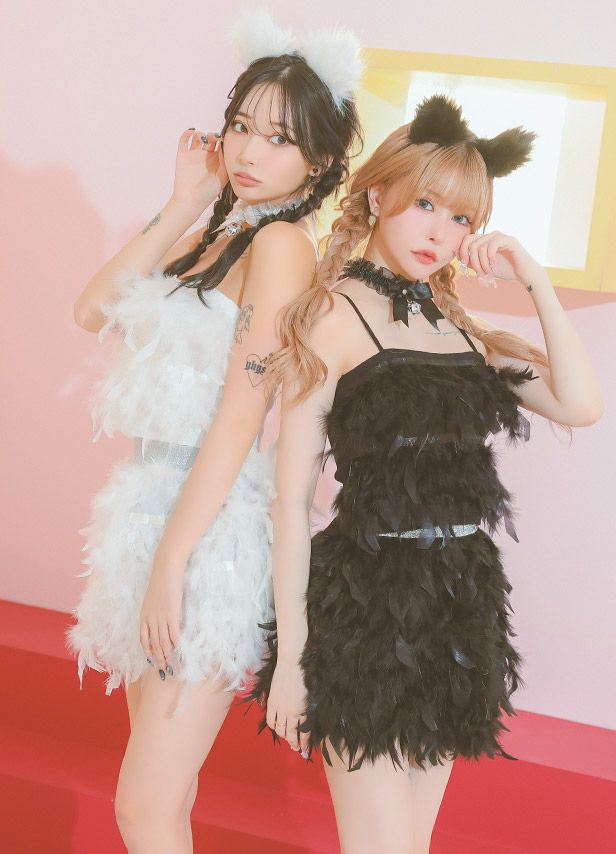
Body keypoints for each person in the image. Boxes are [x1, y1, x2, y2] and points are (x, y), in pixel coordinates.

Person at [251, 95, 603, 852]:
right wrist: (295, 657)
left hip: (460, 603)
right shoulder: (330, 317)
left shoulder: (464, 333)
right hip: (367, 607)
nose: (441, 233)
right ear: (379, 194)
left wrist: (534, 281)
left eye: (462, 219)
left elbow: (580, 404)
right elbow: (289, 502)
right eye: (426, 205)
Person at [67, 10, 362, 852]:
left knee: (145, 805)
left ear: (319, 162)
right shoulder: (218, 233)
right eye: (241, 126)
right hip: (146, 505)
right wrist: (183, 202)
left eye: (278, 138)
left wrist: (174, 560)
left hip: (207, 530)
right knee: (167, 794)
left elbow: (242, 413)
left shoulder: (283, 246)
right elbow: (92, 310)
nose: (248, 151)